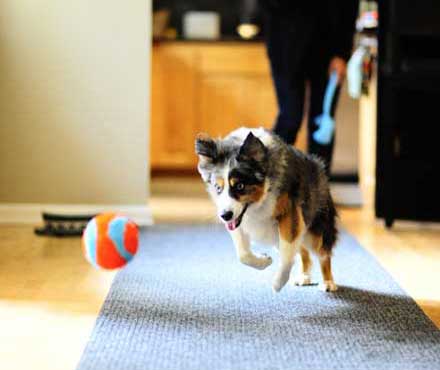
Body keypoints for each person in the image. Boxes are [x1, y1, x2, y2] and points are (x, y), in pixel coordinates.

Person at [259, 1, 359, 174]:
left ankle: (318, 192)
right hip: (284, 46)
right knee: (290, 118)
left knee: (322, 123)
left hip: (328, 50)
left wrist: (342, 53)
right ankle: (269, 183)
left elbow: (348, 7)